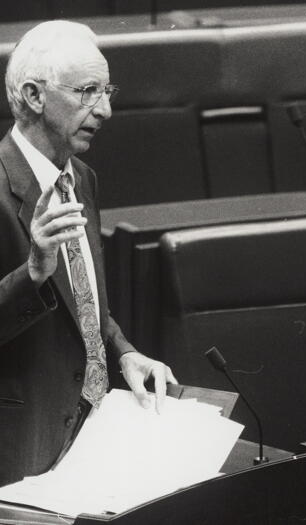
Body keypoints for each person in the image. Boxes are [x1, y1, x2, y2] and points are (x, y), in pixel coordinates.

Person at [0, 20, 177, 487]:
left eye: (108, 90)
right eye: (88, 91)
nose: (107, 109)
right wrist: (33, 273)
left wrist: (123, 352)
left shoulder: (82, 178)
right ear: (35, 97)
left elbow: (83, 300)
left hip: (88, 436)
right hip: (20, 447)